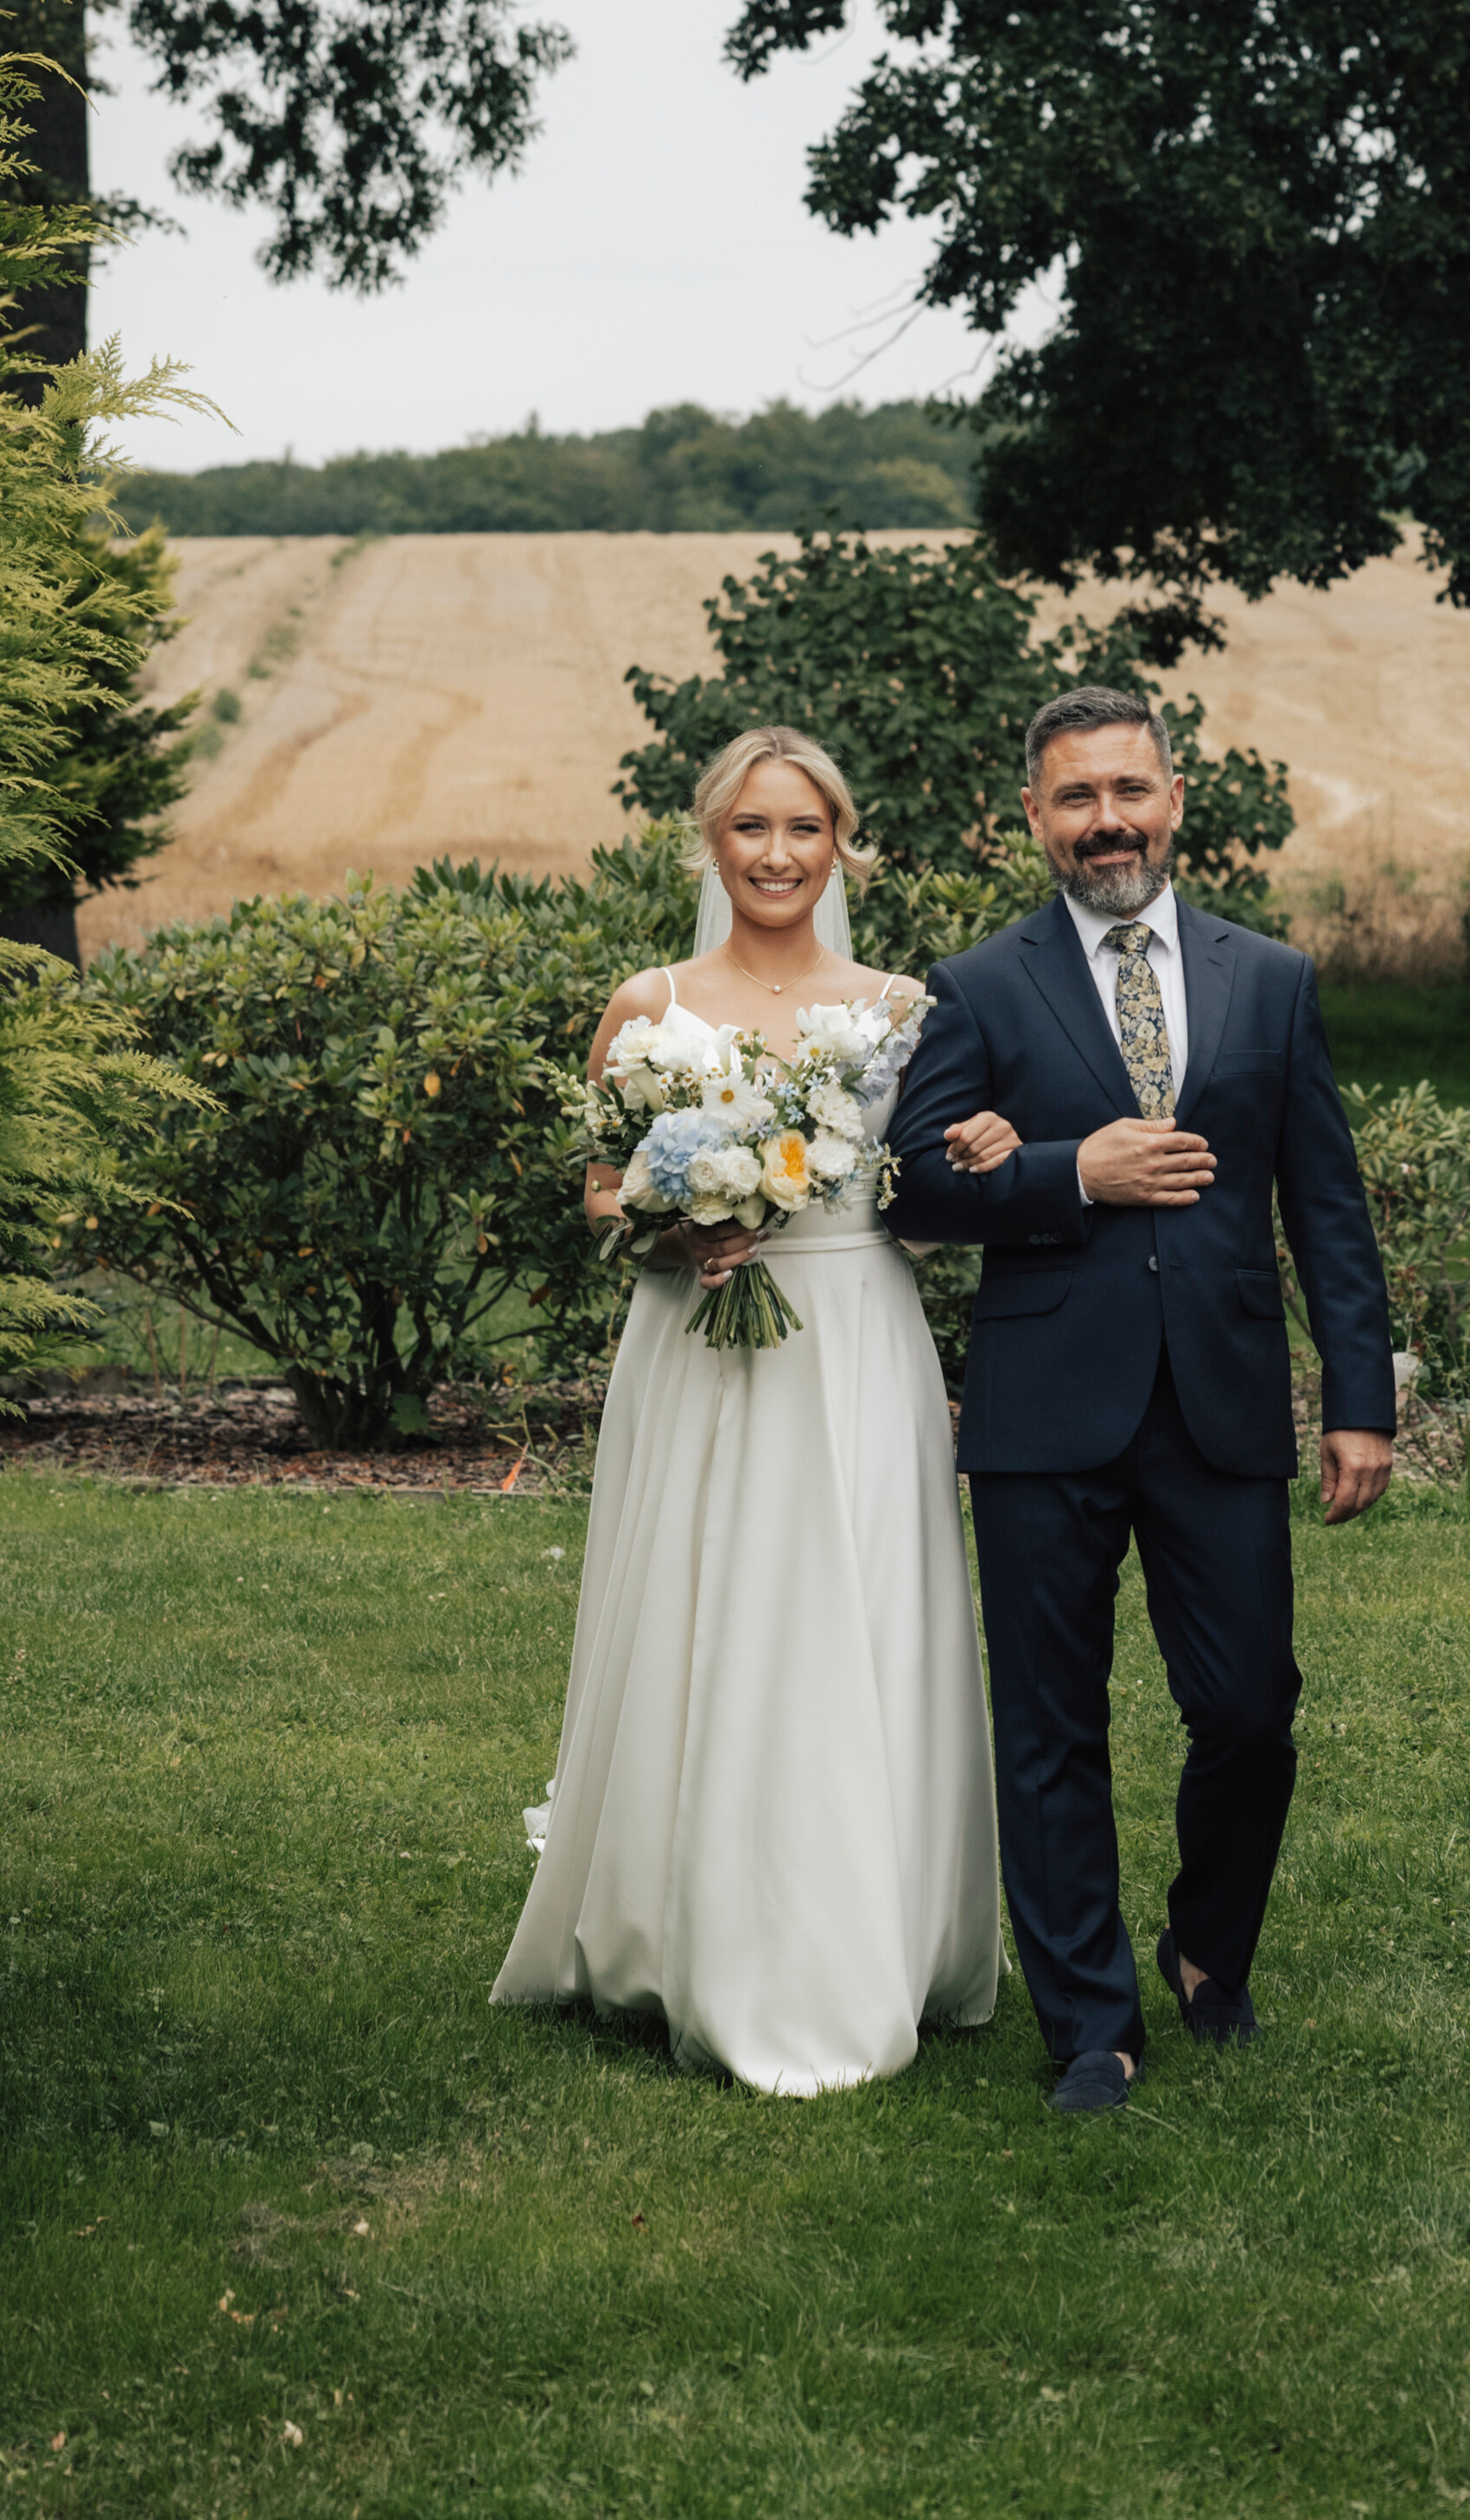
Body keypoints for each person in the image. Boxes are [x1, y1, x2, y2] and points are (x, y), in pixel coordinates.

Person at [884, 685, 1396, 2114]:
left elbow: (1326, 1205)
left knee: (1248, 1709)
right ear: (1032, 819)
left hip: (1219, 1401)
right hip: (1045, 1404)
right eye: (1074, 797)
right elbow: (909, 1185)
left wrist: (1358, 1399)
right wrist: (1070, 1173)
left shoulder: (1269, 978)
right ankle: (1090, 2026)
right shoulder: (976, 986)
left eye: (1127, 791)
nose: (1104, 821)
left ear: (1173, 799)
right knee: (1049, 1724)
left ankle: (1204, 1943)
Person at [492, 726, 1015, 2093]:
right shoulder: (650, 1002)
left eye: (802, 828)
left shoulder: (906, 1009)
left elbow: (934, 1190)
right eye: (749, 828)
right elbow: (599, 1186)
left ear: (842, 844)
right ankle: (672, 1923)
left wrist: (986, 1150)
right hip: (694, 1343)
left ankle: (878, 1926)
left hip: (854, 1336)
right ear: (709, 844)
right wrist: (674, 1230)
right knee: (697, 1600)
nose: (777, 855)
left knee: (861, 1605)